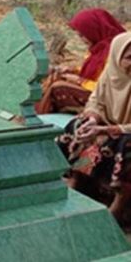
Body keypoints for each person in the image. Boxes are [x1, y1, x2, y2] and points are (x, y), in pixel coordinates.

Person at [56, 32, 131, 227]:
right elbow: (96, 101)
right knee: (76, 126)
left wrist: (107, 129)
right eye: (129, 58)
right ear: (116, 57)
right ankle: (77, 178)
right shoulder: (110, 74)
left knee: (124, 141)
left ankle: (120, 199)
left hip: (125, 131)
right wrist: (92, 119)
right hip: (108, 125)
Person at [36, 8, 125, 114]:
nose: (82, 40)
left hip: (113, 100)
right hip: (99, 92)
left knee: (59, 88)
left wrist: (79, 80)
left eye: (83, 35)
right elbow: (96, 71)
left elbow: (111, 87)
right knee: (55, 79)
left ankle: (40, 119)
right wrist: (73, 70)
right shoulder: (99, 49)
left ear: (94, 30)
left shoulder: (118, 51)